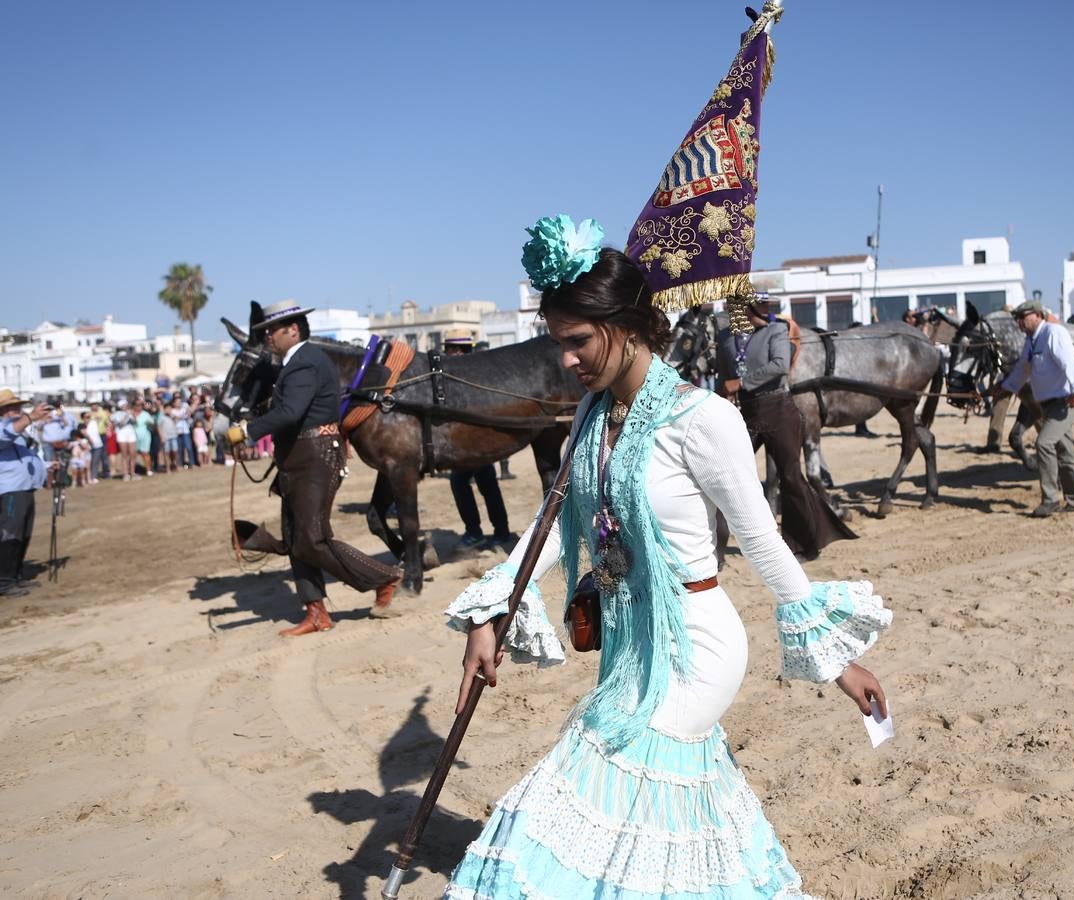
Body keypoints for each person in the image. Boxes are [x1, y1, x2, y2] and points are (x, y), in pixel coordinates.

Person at [442, 223, 890, 899]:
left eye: (577, 341)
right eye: (558, 341)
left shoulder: (703, 417)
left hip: (696, 647)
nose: (565, 359)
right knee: (661, 828)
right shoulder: (591, 413)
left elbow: (763, 539)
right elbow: (556, 523)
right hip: (628, 644)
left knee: (594, 785)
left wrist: (836, 661)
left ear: (625, 325)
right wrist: (494, 610)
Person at [226, 301, 402, 635]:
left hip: (315, 457)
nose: (267, 339)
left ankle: (386, 578)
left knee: (312, 538)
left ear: (293, 330)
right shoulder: (295, 364)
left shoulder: (304, 362)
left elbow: (291, 412)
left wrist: (246, 431)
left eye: (271, 332)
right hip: (299, 457)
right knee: (296, 538)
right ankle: (316, 612)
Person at [714, 295, 854, 559]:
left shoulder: (776, 330)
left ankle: (804, 544)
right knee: (725, 473)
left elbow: (779, 366)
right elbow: (723, 377)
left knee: (790, 477)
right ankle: (717, 549)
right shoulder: (724, 339)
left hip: (778, 411)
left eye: (768, 306)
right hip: (745, 414)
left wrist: (741, 383)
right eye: (763, 306)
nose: (769, 310)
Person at [992, 299, 1074, 517]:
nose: (1020, 323)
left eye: (1023, 317)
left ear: (1037, 315)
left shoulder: (1053, 333)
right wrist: (1003, 387)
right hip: (1049, 403)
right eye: (1017, 319)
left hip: (1065, 401)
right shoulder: (1031, 341)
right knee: (1065, 451)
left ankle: (1050, 499)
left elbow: (1069, 361)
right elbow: (1022, 370)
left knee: (1043, 443)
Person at [442, 329, 513, 550]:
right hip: (478, 440)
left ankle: (475, 533)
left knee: (461, 482)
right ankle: (501, 532)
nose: (450, 353)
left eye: (452, 349)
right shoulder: (474, 369)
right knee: (487, 482)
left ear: (458, 350)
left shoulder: (463, 372)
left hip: (473, 441)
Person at [0, 391, 54, 598]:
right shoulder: (6, 429)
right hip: (9, 490)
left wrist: (47, 465)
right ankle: (4, 582)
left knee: (22, 536)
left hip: (23, 489)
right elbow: (5, 436)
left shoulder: (18, 432)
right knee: (9, 536)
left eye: (18, 407)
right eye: (12, 407)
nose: (17, 410)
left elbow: (26, 458)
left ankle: (14, 576)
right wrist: (31, 417)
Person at [113, 400, 139, 481]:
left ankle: (133, 473)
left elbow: (135, 423)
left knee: (133, 454)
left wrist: (133, 415)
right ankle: (125, 474)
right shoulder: (116, 414)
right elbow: (121, 424)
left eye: (126, 405)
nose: (125, 406)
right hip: (122, 434)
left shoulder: (130, 412)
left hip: (131, 433)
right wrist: (127, 415)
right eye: (123, 405)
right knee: (124, 455)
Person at [133, 399, 154, 477]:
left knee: (145, 453)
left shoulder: (145, 414)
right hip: (133, 438)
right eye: (137, 405)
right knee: (133, 455)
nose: (139, 407)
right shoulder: (131, 414)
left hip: (145, 436)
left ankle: (148, 470)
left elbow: (152, 423)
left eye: (140, 405)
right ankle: (132, 471)